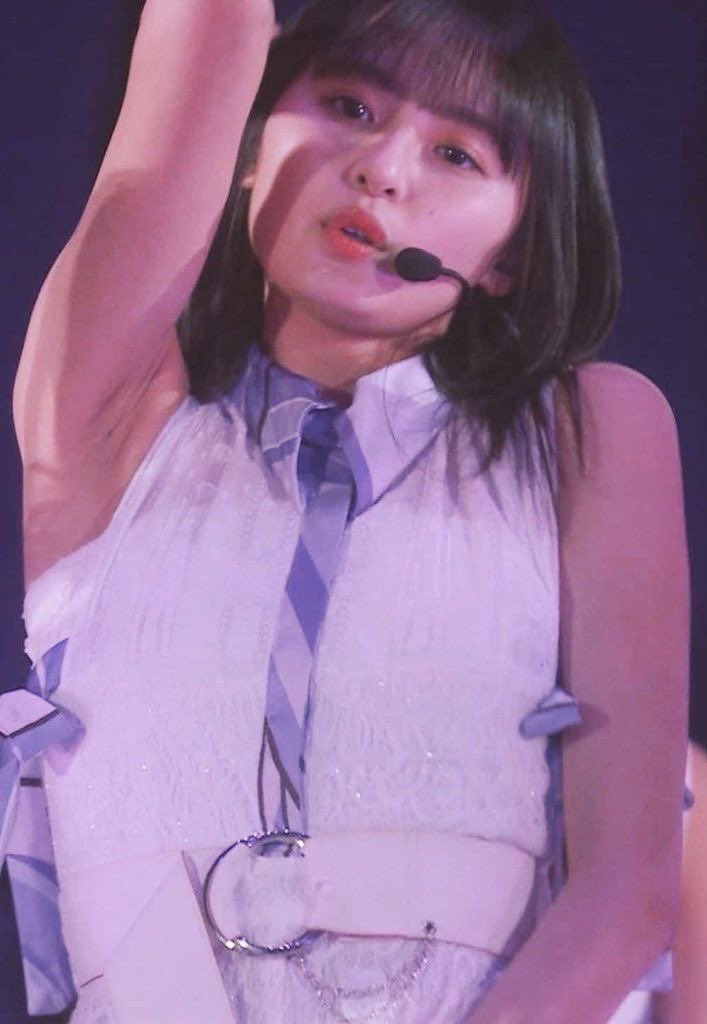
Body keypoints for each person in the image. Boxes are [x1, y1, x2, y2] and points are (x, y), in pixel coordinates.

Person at [4, 0, 690, 1021]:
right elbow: (192, 62)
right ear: (247, 146)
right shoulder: (109, 425)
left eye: (456, 154)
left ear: (508, 254)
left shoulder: (590, 430)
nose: (382, 169)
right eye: (348, 106)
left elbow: (625, 891)